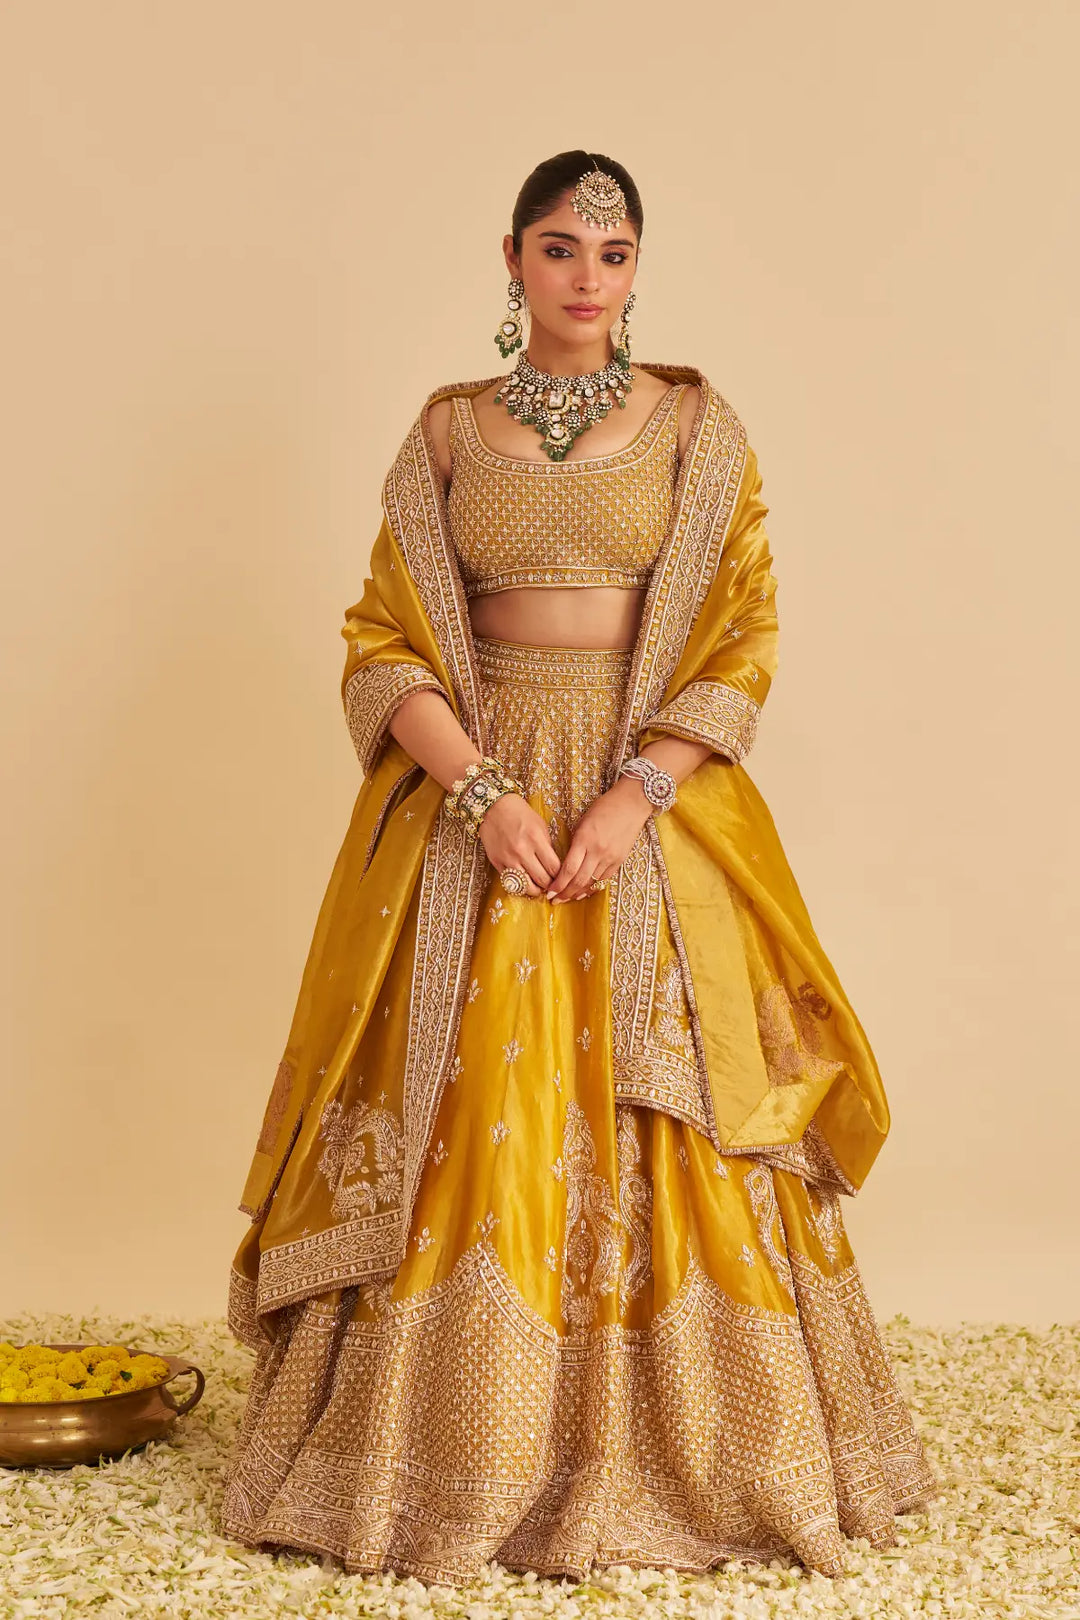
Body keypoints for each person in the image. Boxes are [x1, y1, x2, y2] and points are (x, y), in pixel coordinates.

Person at [219, 150, 939, 1586]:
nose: (587, 281)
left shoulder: (697, 427)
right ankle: (444, 1464)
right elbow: (385, 642)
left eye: (612, 256)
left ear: (638, 268)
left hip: (645, 805)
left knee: (673, 1092)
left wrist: (636, 793)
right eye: (560, 250)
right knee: (470, 1092)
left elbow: (739, 636)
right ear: (512, 258)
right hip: (476, 804)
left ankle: (698, 1460)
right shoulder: (445, 432)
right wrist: (477, 791)